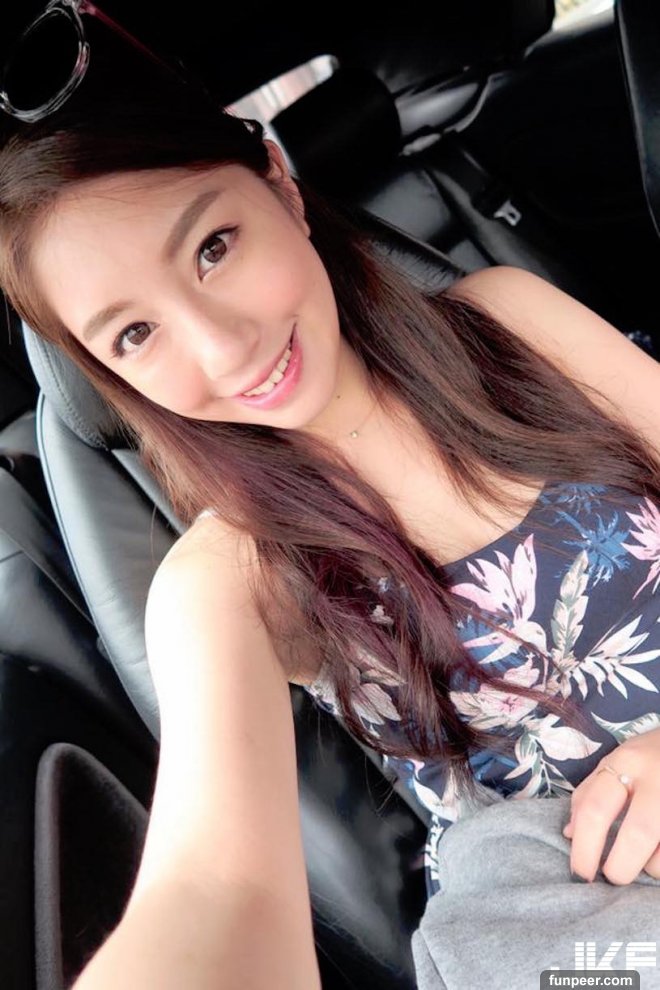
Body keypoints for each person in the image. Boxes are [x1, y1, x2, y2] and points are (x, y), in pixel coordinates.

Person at [1, 7, 660, 988]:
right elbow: (214, 890)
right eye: (134, 335)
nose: (224, 349)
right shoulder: (229, 576)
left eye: (213, 247)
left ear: (280, 184)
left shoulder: (507, 324)